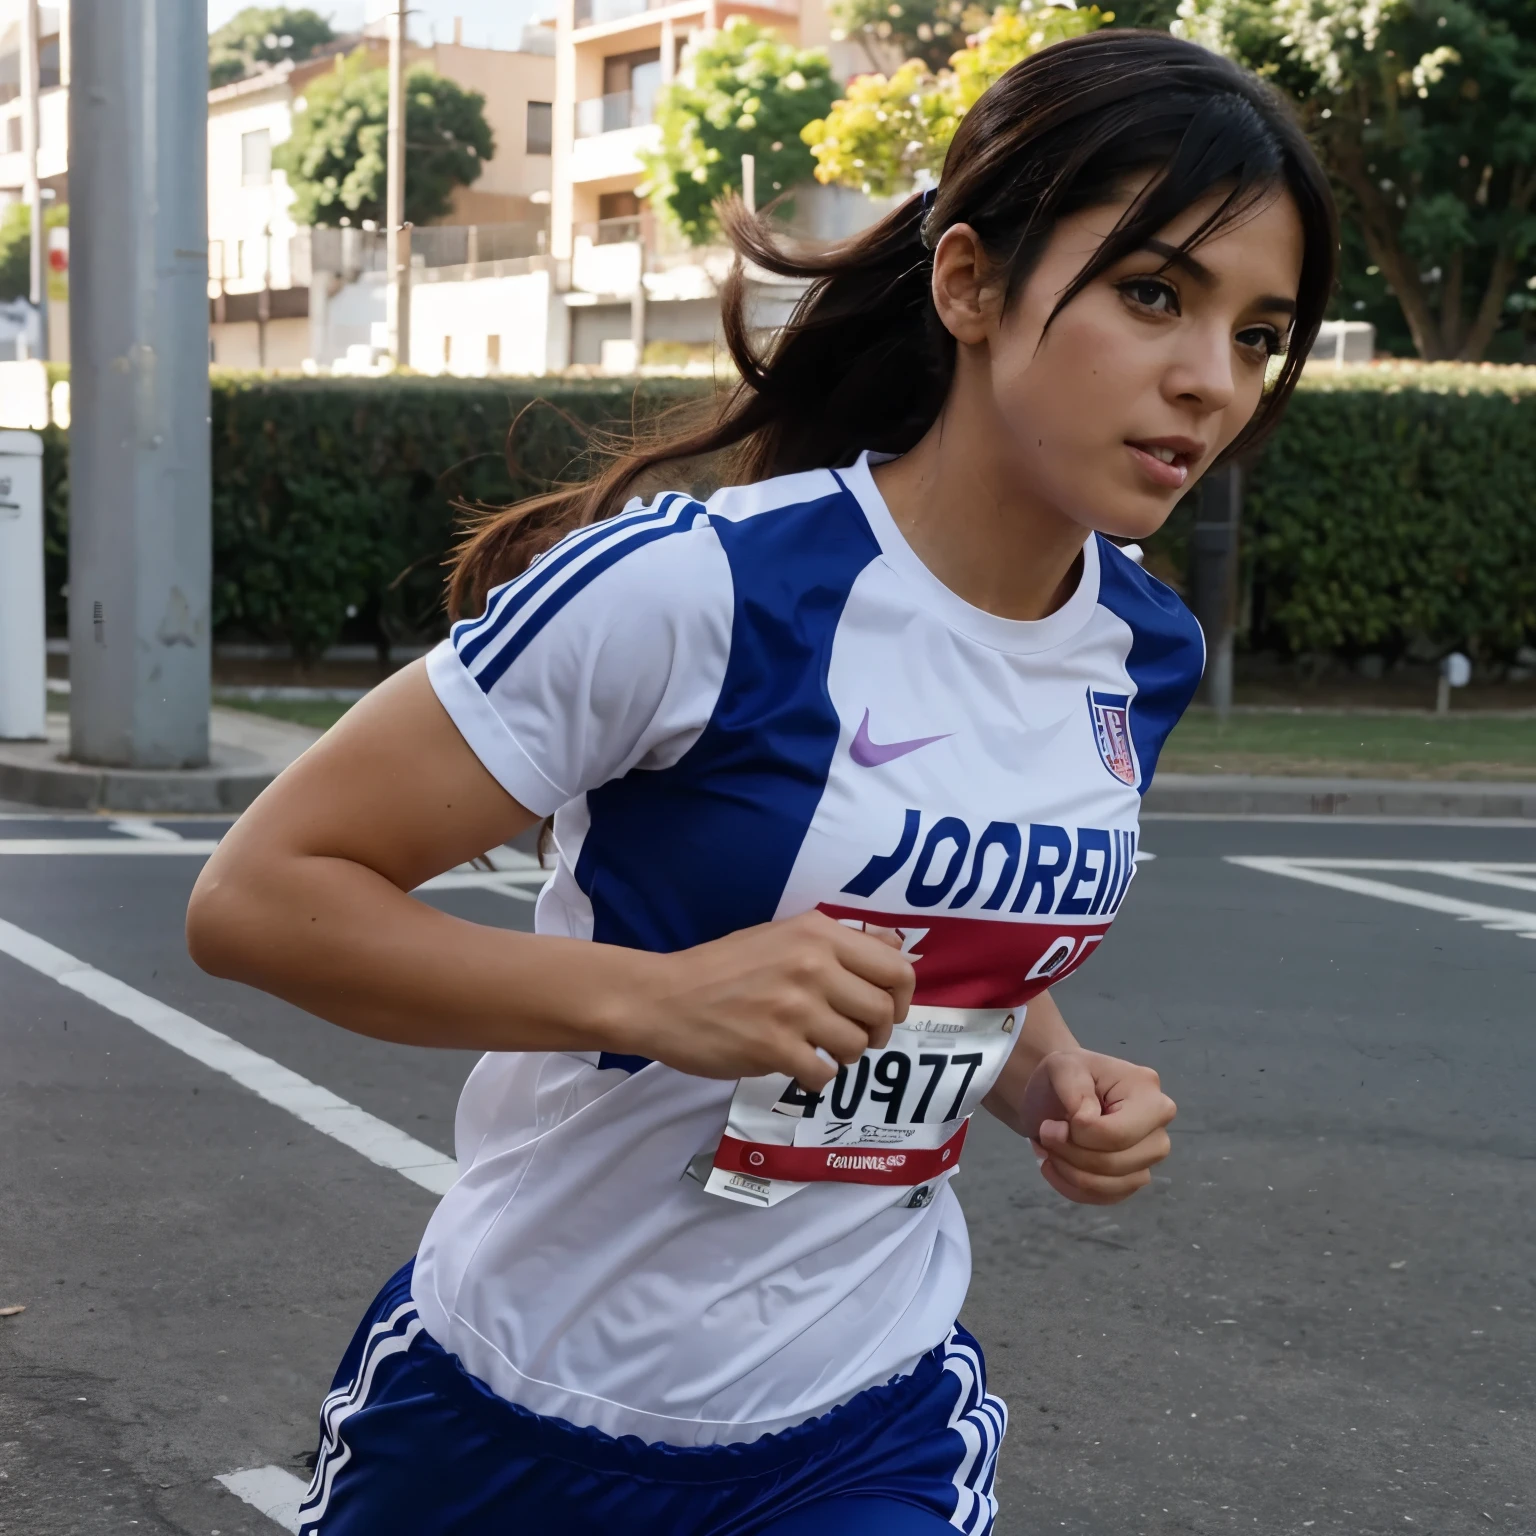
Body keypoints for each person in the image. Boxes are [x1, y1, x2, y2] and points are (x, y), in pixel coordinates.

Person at [187, 27, 1337, 1536]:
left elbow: (944, 932)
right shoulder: (697, 592)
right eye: (1152, 294)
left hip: (862, 1416)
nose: (1211, 382)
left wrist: (1051, 1077)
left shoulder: (1142, 653)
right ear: (971, 284)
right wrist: (653, 1001)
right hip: (512, 1401)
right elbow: (258, 900)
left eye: (1260, 333)